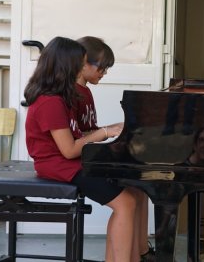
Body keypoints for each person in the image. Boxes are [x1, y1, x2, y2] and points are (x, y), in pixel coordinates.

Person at [24, 36, 153, 262]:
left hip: (74, 160)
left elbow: (79, 134)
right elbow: (69, 150)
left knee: (133, 192)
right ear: (67, 65)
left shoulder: (62, 96)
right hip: (60, 165)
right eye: (80, 63)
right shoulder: (50, 102)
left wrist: (112, 129)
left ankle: (135, 256)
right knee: (126, 203)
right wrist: (105, 132)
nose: (82, 69)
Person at [75, 36, 153, 261]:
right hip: (73, 161)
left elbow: (87, 133)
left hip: (83, 156)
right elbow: (77, 140)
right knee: (126, 202)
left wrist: (116, 132)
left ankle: (140, 254)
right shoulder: (70, 93)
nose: (104, 73)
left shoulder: (86, 91)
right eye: (102, 67)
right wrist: (107, 131)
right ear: (82, 62)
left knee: (139, 187)